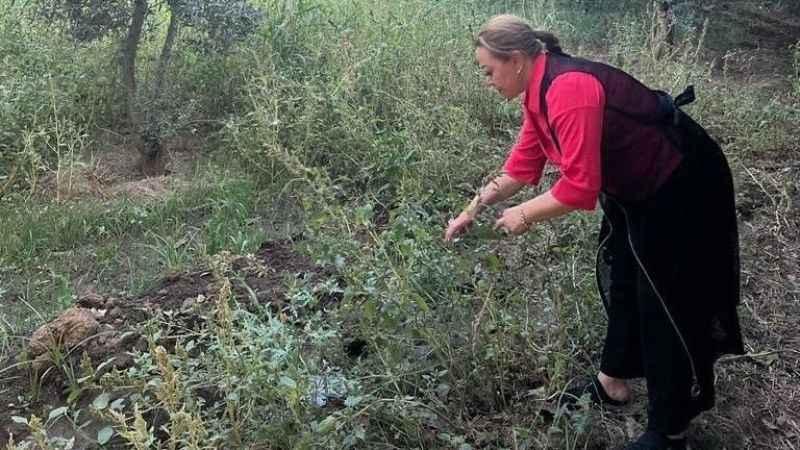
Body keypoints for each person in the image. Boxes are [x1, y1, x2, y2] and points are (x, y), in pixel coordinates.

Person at [444, 14, 744, 450]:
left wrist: (522, 216)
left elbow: (579, 189)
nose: (487, 81)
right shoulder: (537, 93)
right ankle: (612, 382)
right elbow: (520, 167)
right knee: (623, 276)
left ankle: (670, 429)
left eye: (488, 71)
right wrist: (470, 209)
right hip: (636, 186)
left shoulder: (569, 89)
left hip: (681, 180)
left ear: (516, 60)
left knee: (664, 299)